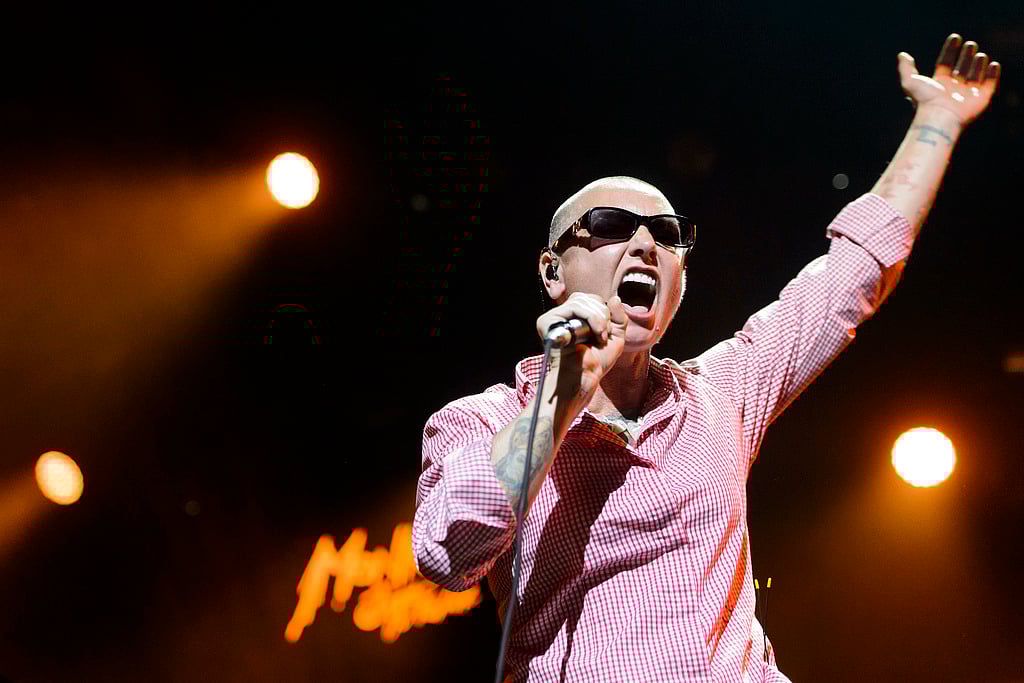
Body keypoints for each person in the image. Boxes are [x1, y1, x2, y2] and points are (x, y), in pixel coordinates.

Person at [411, 34, 1001, 682]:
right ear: (553, 271)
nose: (644, 243)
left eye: (667, 235)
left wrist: (938, 118)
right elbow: (448, 552)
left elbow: (851, 272)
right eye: (610, 224)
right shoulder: (484, 419)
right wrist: (564, 394)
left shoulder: (723, 391)